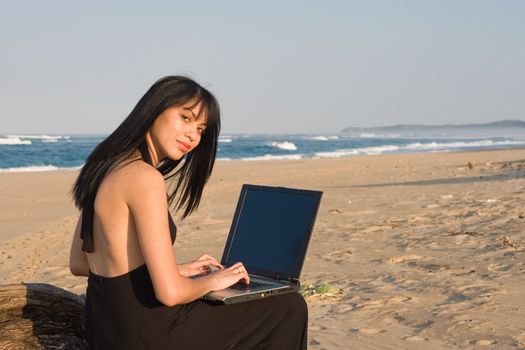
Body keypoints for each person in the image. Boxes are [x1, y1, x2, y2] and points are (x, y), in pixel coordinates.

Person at [69, 76, 308, 349]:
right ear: (154, 109)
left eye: (201, 129)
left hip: (105, 326)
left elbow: (80, 263)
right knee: (288, 306)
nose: (193, 136)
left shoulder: (104, 168)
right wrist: (213, 279)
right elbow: (170, 294)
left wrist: (177, 269)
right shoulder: (144, 178)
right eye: (185, 118)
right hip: (146, 333)